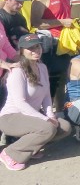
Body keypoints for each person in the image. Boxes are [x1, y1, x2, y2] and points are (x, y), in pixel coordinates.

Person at [0, 34, 71, 171]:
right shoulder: (17, 71)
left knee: (65, 127)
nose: (36, 50)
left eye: (37, 46)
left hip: (31, 117)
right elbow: (21, 103)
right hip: (10, 117)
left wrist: (50, 115)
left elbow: (46, 96)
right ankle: (10, 153)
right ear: (21, 51)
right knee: (47, 128)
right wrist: (45, 119)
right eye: (30, 48)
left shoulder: (42, 67)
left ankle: (30, 149)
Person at [31, 0, 74, 114]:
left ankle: (60, 112)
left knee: (63, 77)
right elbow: (35, 22)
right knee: (49, 80)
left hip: (64, 43)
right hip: (48, 43)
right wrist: (61, 22)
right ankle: (45, 113)